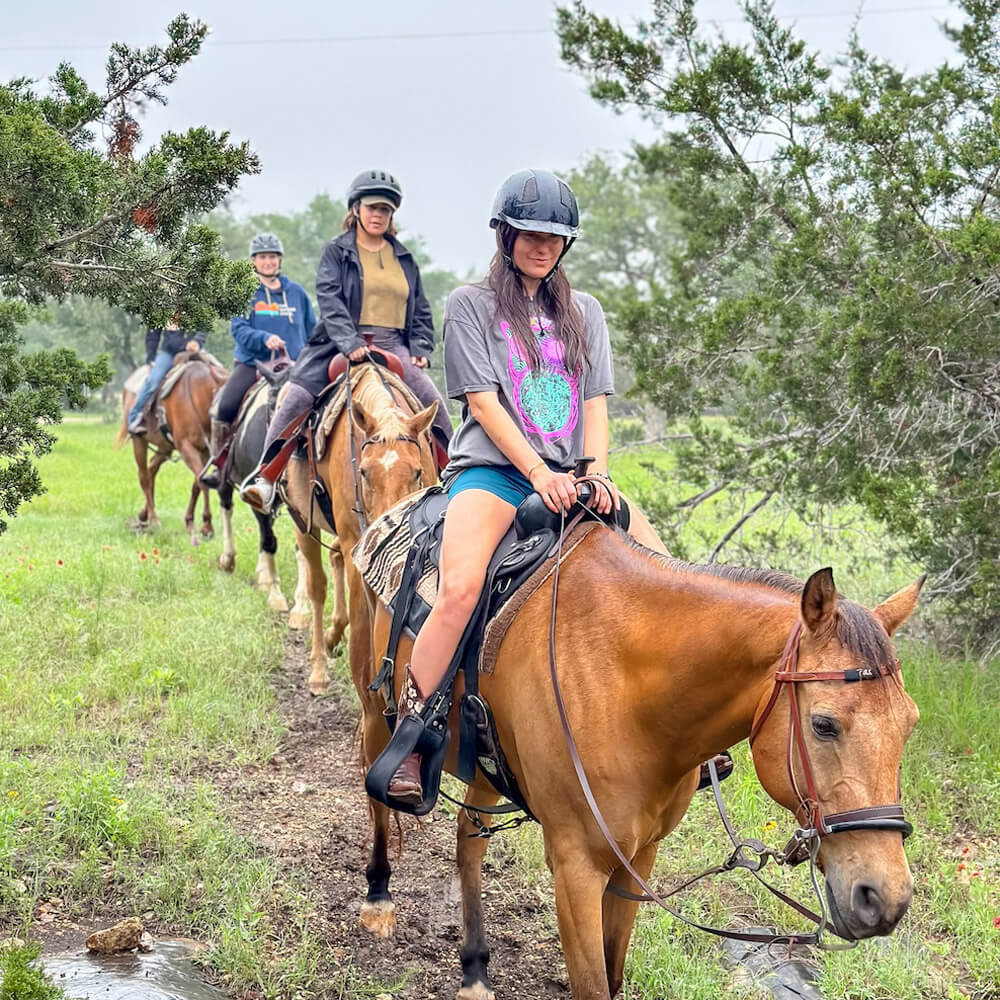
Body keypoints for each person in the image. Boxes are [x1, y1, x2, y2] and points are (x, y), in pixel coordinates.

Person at [385, 168, 620, 805]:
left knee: (658, 568)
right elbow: (485, 404)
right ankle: (414, 733)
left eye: (555, 237)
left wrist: (593, 471)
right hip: (494, 473)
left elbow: (594, 399)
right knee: (460, 589)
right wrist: (539, 474)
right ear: (506, 233)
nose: (543, 246)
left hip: (572, 477)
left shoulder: (585, 313)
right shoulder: (471, 304)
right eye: (531, 234)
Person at [240, 169, 452, 513]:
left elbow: (421, 309)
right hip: (338, 342)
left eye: (385, 210)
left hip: (394, 343)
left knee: (433, 402)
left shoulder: (405, 258)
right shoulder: (336, 252)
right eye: (372, 207)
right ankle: (266, 479)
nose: (378, 215)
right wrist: (349, 340)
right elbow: (329, 298)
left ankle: (453, 476)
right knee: (295, 397)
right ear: (356, 209)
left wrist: (421, 347)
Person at [199, 233, 316, 489]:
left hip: (294, 367)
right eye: (263, 257)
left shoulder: (296, 294)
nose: (268, 262)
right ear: (254, 261)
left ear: (279, 260)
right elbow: (238, 329)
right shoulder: (245, 291)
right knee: (225, 407)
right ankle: (219, 465)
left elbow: (312, 330)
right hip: (253, 365)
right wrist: (264, 338)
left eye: (272, 256)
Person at [127, 318, 205, 435]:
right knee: (154, 380)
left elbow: (203, 326)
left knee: (213, 373)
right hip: (169, 354)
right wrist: (151, 358)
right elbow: (153, 333)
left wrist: (197, 342)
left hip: (193, 352)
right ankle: (135, 419)